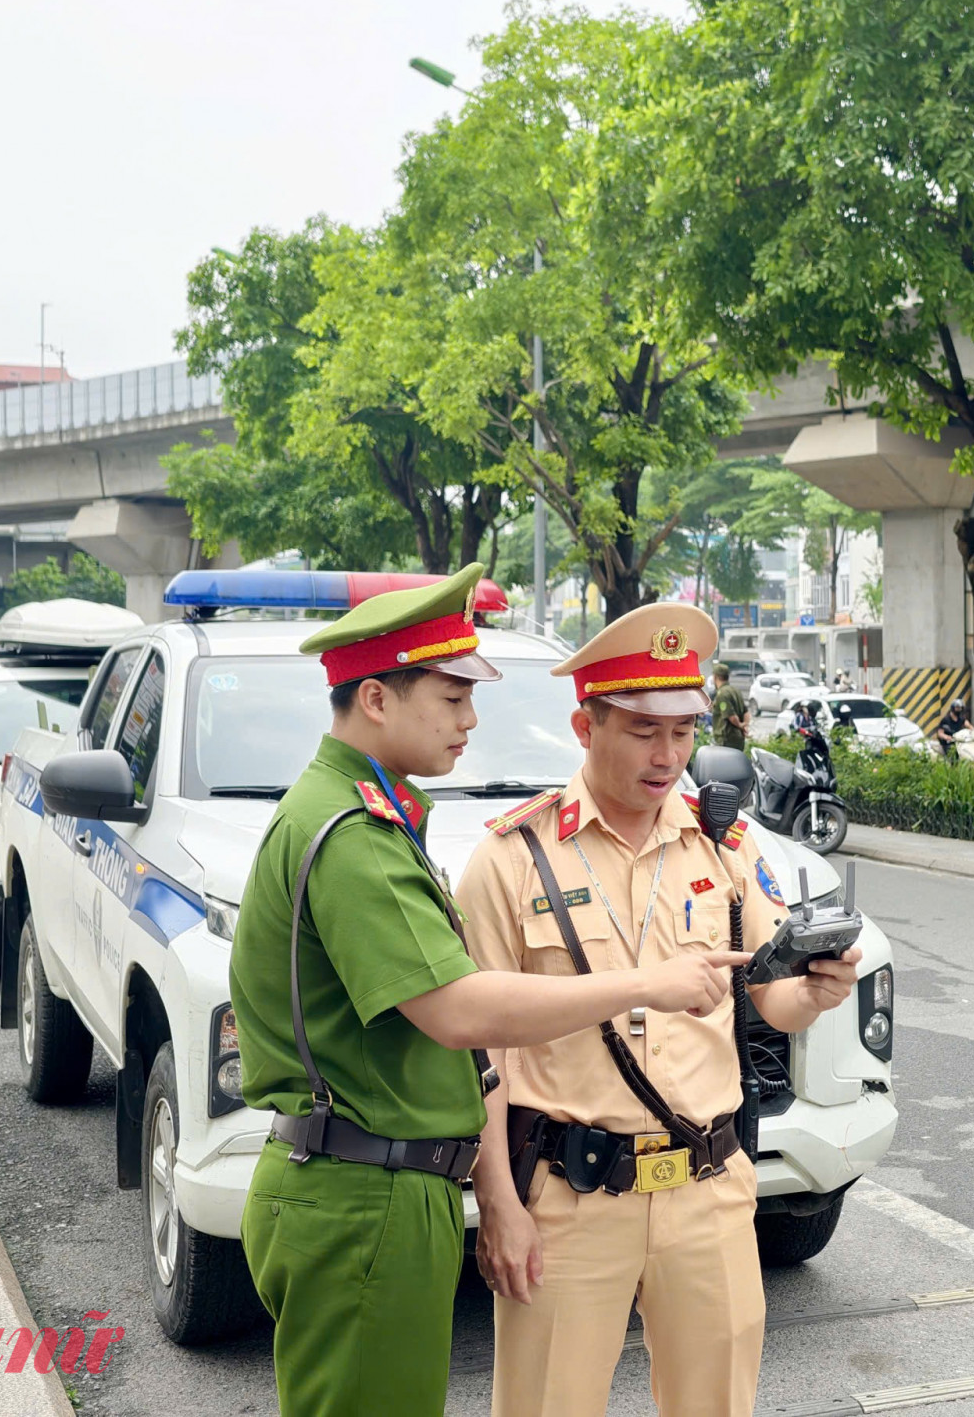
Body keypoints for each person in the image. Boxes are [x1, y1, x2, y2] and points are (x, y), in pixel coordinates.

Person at [228, 567, 751, 1417]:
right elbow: (462, 1011)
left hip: (388, 1184)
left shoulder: (370, 817)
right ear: (375, 699)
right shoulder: (353, 832)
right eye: (450, 696)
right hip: (367, 1191)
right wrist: (647, 985)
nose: (471, 719)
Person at [459, 602, 862, 1417]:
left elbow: (769, 1001)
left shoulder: (725, 845)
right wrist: (497, 1201)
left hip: (708, 1189)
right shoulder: (512, 857)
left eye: (683, 731)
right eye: (644, 730)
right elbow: (475, 1053)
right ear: (586, 724)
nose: (668, 755)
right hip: (570, 1197)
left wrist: (816, 992)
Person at [708, 663, 749, 749]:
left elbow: (731, 716)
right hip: (738, 739)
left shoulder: (722, 694)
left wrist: (740, 725)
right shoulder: (736, 690)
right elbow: (746, 712)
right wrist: (745, 726)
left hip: (726, 740)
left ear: (715, 677)